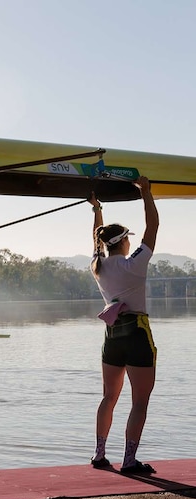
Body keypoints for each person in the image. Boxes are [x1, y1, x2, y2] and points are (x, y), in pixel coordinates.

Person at [88, 175, 159, 474]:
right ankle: (129, 460)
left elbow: (95, 238)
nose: (132, 239)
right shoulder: (135, 263)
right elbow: (153, 227)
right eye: (128, 236)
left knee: (109, 397)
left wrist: (97, 210)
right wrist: (146, 193)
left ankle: (99, 455)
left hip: (112, 336)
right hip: (137, 335)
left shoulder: (98, 267)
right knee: (140, 401)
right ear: (123, 242)